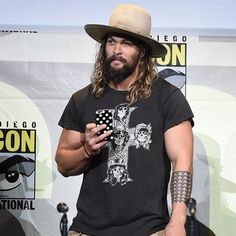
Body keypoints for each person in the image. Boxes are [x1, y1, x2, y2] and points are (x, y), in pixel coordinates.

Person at [55, 3, 194, 236]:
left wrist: (178, 221)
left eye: (126, 43)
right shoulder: (83, 99)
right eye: (112, 42)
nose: (117, 49)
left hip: (148, 230)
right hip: (87, 230)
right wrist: (86, 150)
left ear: (142, 51)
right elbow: (63, 164)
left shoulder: (167, 97)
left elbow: (182, 162)